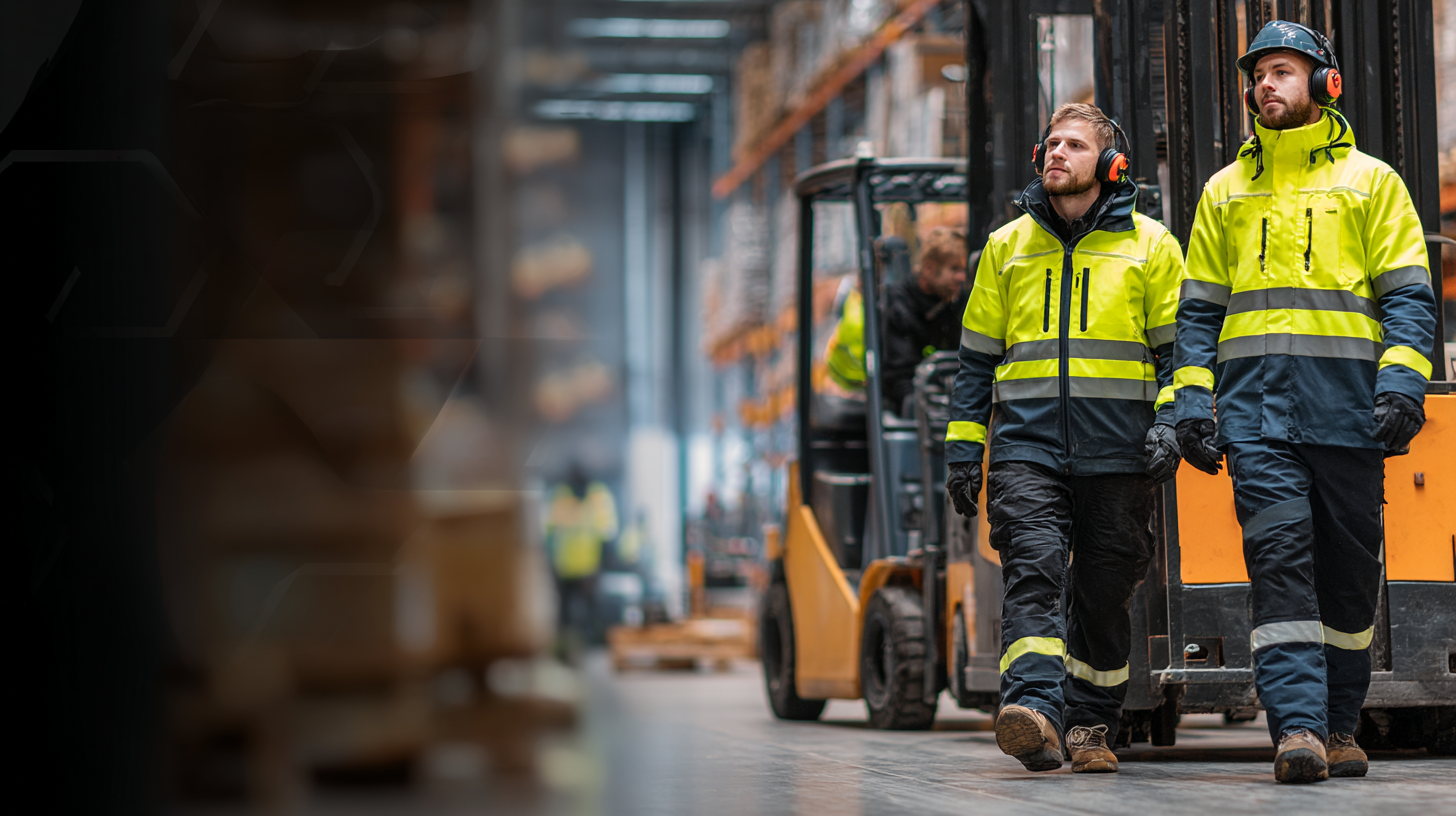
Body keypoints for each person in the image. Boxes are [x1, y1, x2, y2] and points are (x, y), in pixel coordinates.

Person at [1173, 21, 1438, 784]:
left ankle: (1339, 724)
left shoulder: (1373, 183)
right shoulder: (1225, 192)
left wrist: (1401, 388)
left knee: (1351, 581)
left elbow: (1410, 303)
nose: (1266, 86)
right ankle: (1295, 729)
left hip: (1350, 416)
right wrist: (1192, 402)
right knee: (1280, 566)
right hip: (1258, 421)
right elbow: (1197, 315)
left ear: (1326, 84)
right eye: (1257, 75)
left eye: (1283, 72)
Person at [944, 103, 1185, 774]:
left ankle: (1090, 725)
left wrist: (1172, 421)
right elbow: (974, 365)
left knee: (1105, 595)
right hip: (1028, 451)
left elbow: (1178, 358)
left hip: (1120, 456)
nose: (1056, 153)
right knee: (1034, 572)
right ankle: (1032, 712)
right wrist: (964, 452)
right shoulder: (1007, 247)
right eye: (1050, 143)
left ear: (1110, 166)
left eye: (1074, 145)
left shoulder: (1152, 247)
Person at [823, 228, 970, 415]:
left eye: (964, 269)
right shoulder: (899, 306)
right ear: (929, 267)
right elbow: (900, 378)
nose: (962, 278)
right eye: (955, 269)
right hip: (906, 405)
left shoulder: (953, 301)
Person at [545, 463, 619, 658]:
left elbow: (607, 534)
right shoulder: (560, 496)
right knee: (564, 614)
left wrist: (602, 565)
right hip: (565, 568)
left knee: (592, 610)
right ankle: (563, 650)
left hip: (588, 568)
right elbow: (548, 532)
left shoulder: (599, 496)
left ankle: (596, 646)